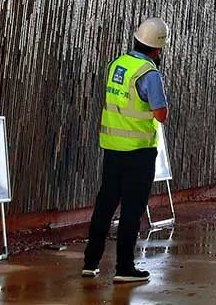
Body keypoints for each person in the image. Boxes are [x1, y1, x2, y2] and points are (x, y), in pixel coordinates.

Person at [82, 18, 170, 284]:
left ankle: (90, 262)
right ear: (158, 48)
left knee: (105, 205)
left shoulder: (116, 65)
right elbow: (161, 114)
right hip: (138, 152)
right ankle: (124, 268)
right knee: (132, 210)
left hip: (112, 147)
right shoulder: (149, 73)